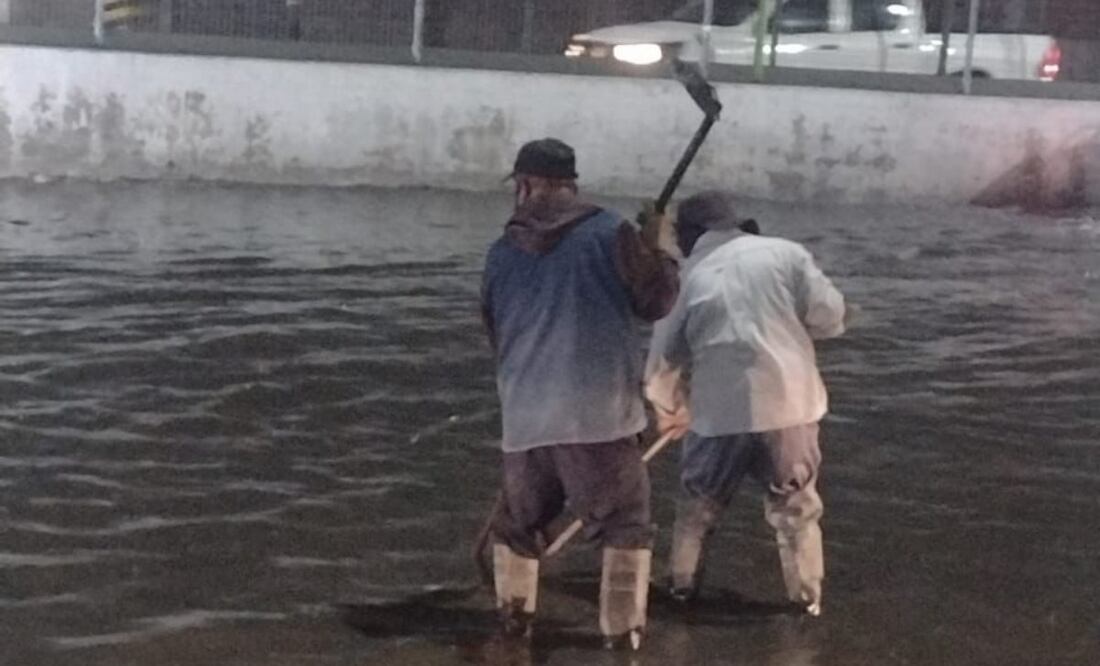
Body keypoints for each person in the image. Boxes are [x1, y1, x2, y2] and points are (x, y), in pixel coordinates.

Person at [481, 138, 679, 648]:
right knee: (623, 526)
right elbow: (656, 301)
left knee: (517, 527)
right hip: (600, 419)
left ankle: (513, 629)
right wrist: (658, 245)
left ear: (525, 186)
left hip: (524, 421)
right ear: (571, 183)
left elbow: (494, 330)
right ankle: (622, 641)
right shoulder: (612, 233)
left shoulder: (502, 251)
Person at [645, 190, 847, 617]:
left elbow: (663, 360)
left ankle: (681, 591)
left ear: (689, 236)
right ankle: (807, 602)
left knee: (698, 510)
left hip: (718, 417)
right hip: (791, 409)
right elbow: (830, 317)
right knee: (797, 511)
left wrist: (671, 406)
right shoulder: (787, 254)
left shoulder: (687, 278)